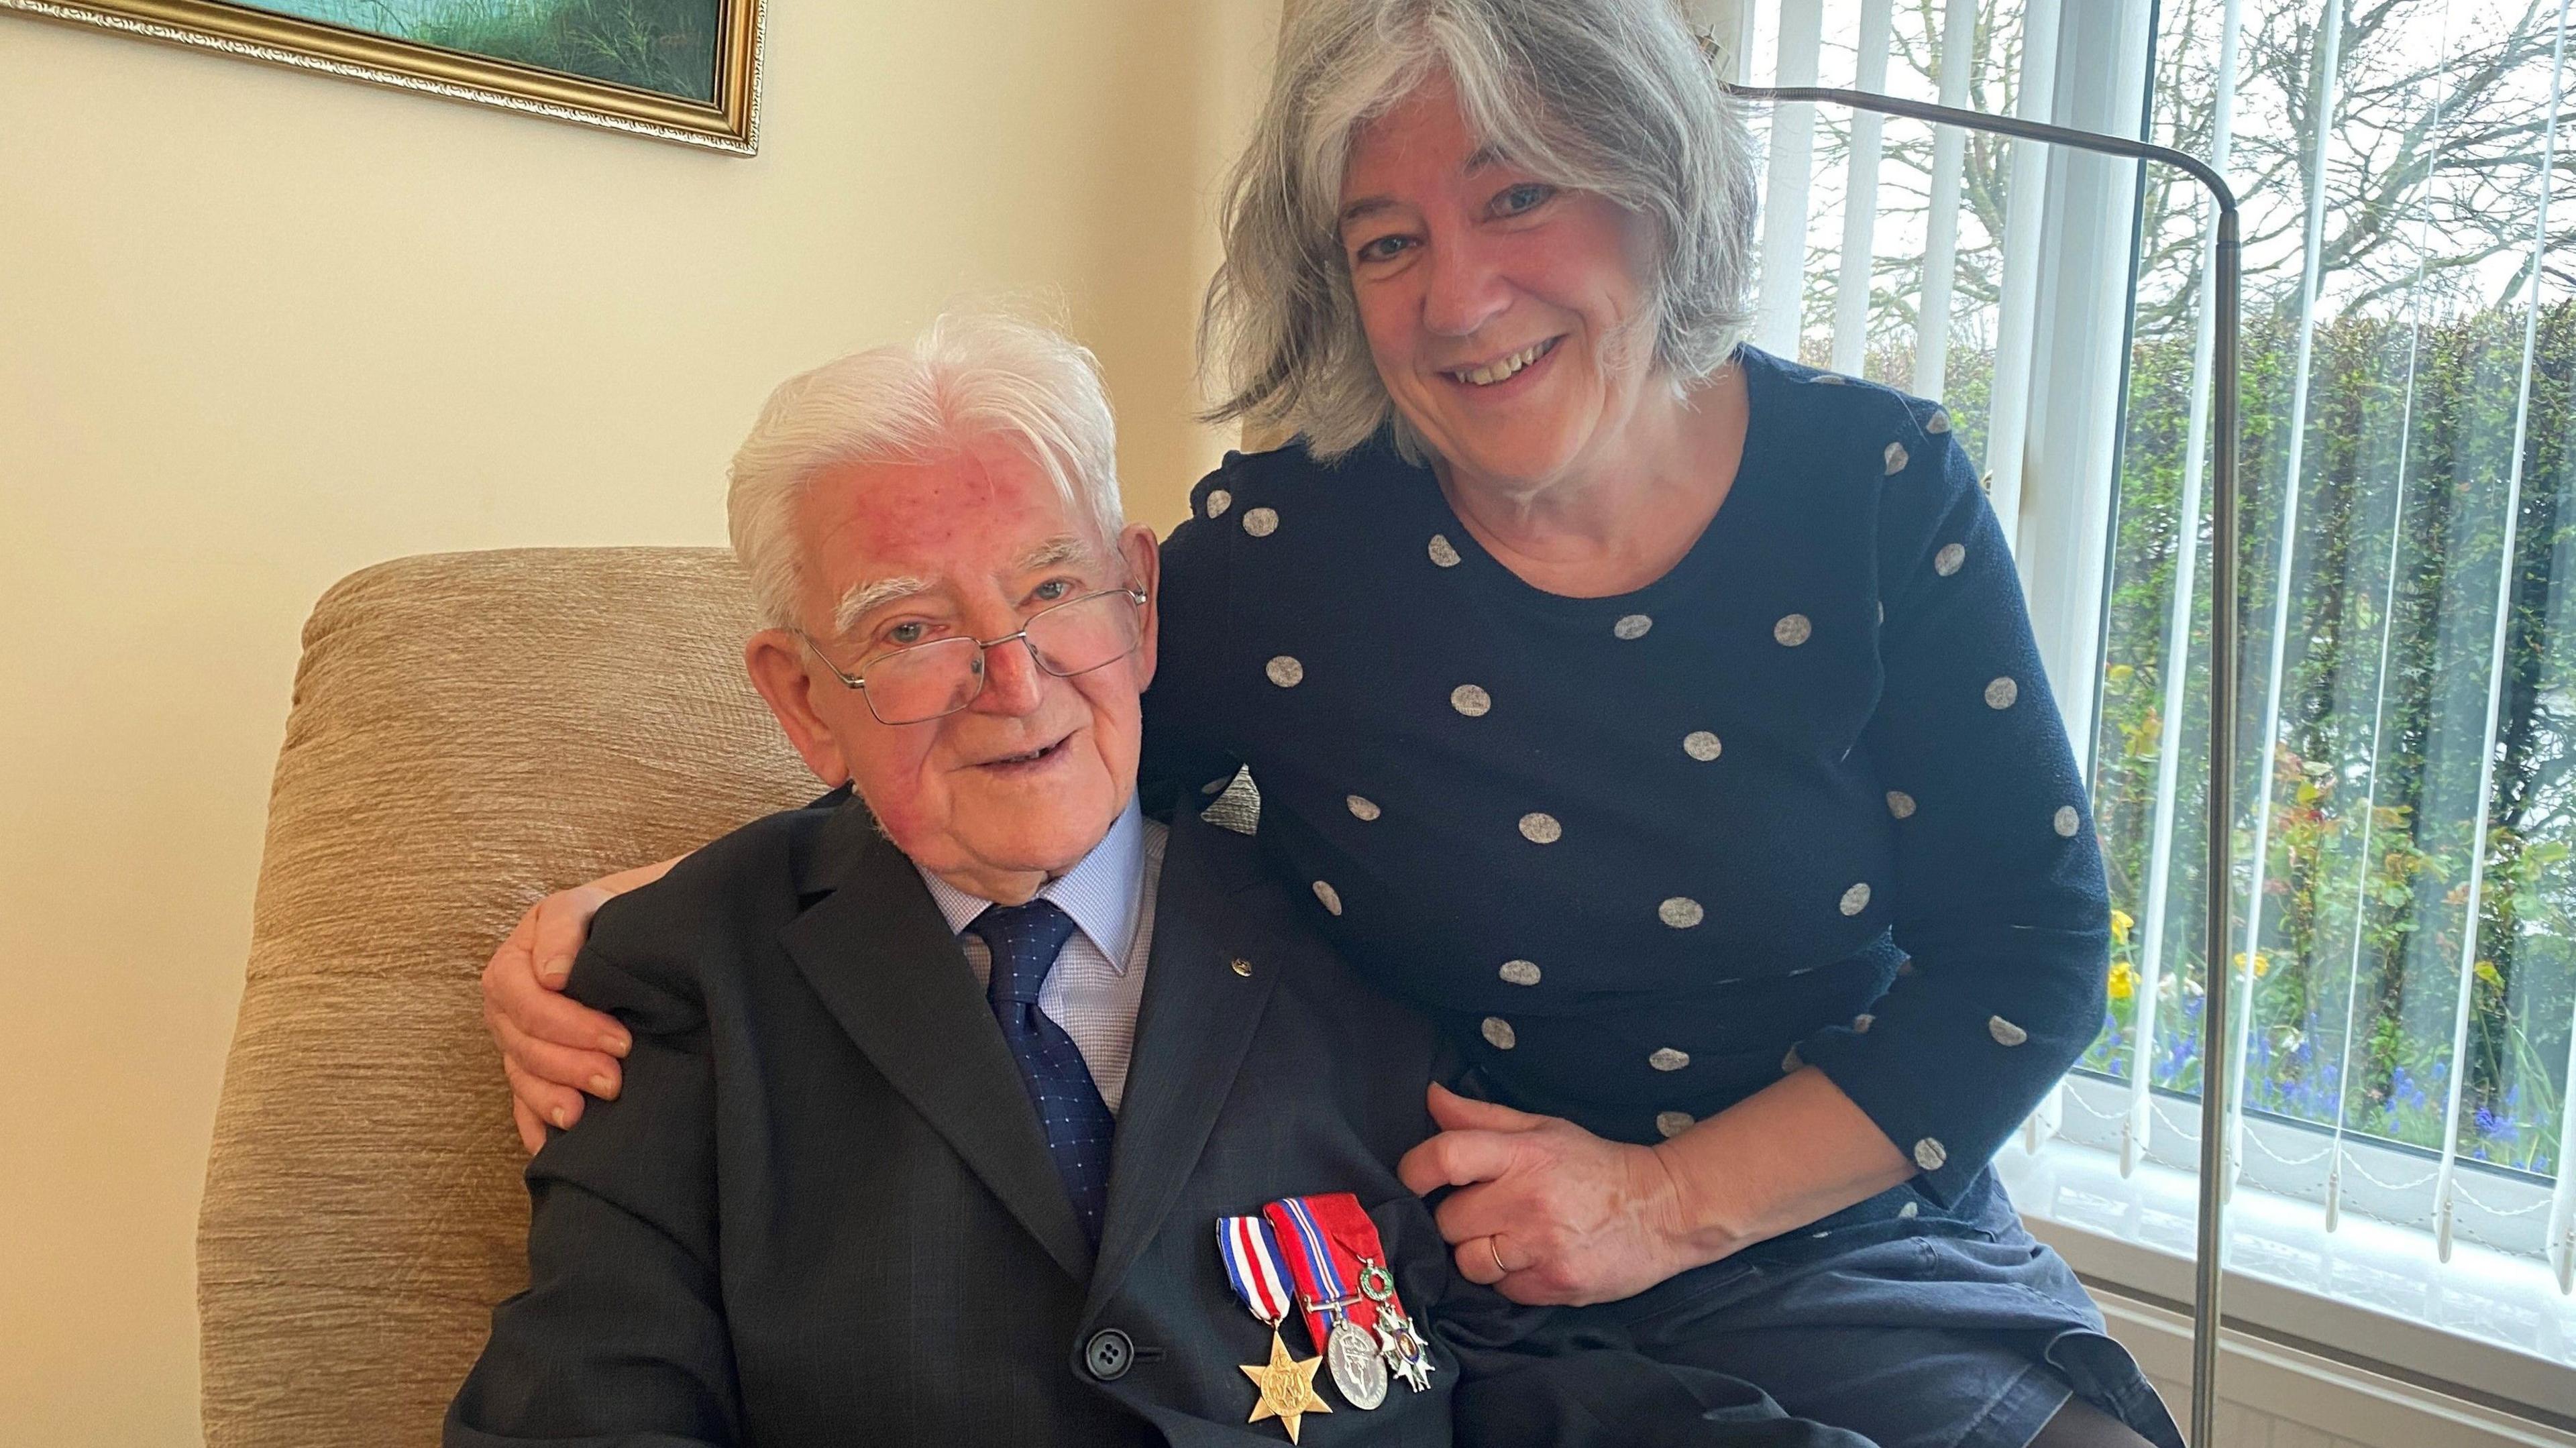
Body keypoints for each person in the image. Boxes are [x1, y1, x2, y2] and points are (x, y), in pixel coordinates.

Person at [480, 4, 2184, 1446]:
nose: (1456, 299)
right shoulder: (1298, 555)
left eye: (1520, 198)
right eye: (1388, 241)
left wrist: (1662, 1204)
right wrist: (637, 919)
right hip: (1446, 1254)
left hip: (1830, 1227)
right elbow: (1019, 750)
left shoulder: (1872, 494)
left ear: (1655, 192)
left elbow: (2030, 952)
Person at [447, 313, 1483, 1446]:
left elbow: (1534, 1361)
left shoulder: (1372, 924)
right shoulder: (684, 980)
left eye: (1051, 590)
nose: (1013, 680)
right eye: (909, 628)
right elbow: (583, 1413)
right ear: (803, 701)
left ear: (1138, 604)